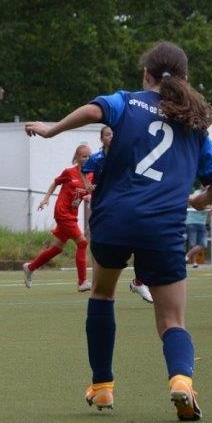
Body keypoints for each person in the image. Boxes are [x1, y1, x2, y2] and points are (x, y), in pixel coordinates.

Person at [24, 40, 212, 421]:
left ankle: (102, 386)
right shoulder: (196, 127)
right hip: (162, 227)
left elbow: (92, 110)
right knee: (172, 320)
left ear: (146, 74)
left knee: (102, 294)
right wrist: (198, 201)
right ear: (185, 79)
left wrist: (52, 131)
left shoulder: (125, 101)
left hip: (114, 219)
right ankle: (181, 381)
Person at [83, 125, 154, 303]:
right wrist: (88, 185)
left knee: (141, 239)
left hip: (122, 205)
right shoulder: (97, 158)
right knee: (101, 243)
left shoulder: (126, 155)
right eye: (107, 134)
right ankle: (98, 283)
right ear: (102, 139)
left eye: (114, 134)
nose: (111, 137)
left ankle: (139, 281)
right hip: (102, 207)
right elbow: (84, 171)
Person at [23, 144, 92, 291]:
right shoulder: (69, 172)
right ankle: (82, 282)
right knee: (82, 243)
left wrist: (88, 196)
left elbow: (88, 192)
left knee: (57, 248)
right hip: (62, 213)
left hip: (72, 215)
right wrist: (46, 198)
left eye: (88, 156)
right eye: (83, 156)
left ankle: (30, 267)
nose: (86, 159)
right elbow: (55, 182)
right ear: (77, 157)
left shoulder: (90, 175)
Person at [185, 192, 209, 267]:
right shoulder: (196, 193)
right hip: (191, 222)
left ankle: (186, 256)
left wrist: (209, 206)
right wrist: (207, 206)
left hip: (202, 223)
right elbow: (197, 204)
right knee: (192, 244)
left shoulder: (211, 193)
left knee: (203, 244)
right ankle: (194, 262)